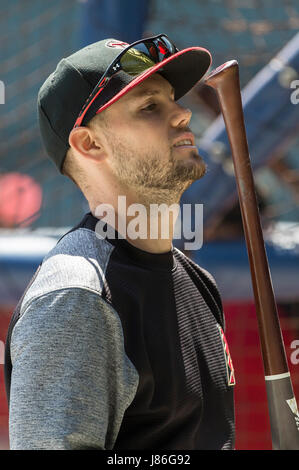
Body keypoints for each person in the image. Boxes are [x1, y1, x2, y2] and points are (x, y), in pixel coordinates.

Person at [4, 34, 235, 450]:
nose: (183, 113)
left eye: (172, 99)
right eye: (150, 106)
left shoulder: (197, 281)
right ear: (89, 144)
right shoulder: (77, 298)